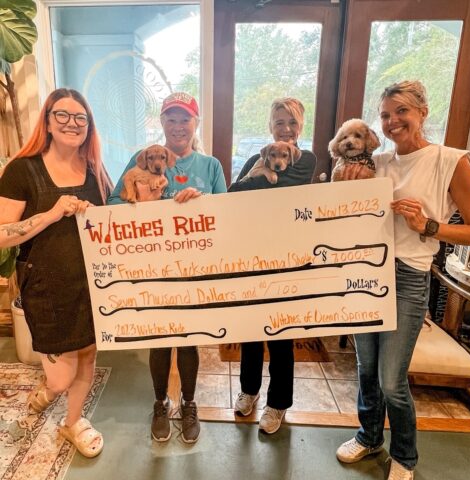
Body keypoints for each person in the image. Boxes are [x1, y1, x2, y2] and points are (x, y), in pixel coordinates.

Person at [335, 80, 470, 479]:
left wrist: (428, 225)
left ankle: (405, 456)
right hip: (365, 271)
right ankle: (368, 437)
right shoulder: (376, 163)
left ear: (422, 112)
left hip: (409, 276)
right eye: (385, 115)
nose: (392, 121)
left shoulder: (450, 160)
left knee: (392, 380)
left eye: (401, 111)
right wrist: (340, 185)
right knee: (366, 369)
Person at [109, 92, 227, 444]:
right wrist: (141, 202)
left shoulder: (210, 166)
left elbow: (228, 212)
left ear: (195, 123)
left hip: (195, 270)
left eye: (184, 119)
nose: (178, 126)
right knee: (159, 340)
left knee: (189, 341)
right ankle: (160, 403)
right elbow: (111, 203)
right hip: (153, 269)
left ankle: (189, 404)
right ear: (162, 123)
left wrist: (202, 202)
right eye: (171, 119)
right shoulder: (142, 160)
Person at [0, 88, 112, 458]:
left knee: (88, 356)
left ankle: (72, 422)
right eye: (61, 115)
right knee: (61, 377)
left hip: (92, 283)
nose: (71, 123)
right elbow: (1, 235)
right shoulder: (22, 169)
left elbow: (113, 219)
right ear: (47, 121)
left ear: (88, 125)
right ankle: (49, 391)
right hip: (47, 287)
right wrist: (51, 214)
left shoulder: (94, 168)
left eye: (80, 117)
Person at [229, 97, 317, 434]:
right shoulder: (257, 157)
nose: (286, 129)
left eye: (292, 122)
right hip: (254, 253)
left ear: (300, 126)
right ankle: (249, 390)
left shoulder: (305, 159)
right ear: (271, 126)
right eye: (280, 122)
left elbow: (286, 187)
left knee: (282, 335)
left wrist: (256, 179)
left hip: (290, 258)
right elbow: (232, 194)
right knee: (251, 329)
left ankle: (278, 403)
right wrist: (254, 176)